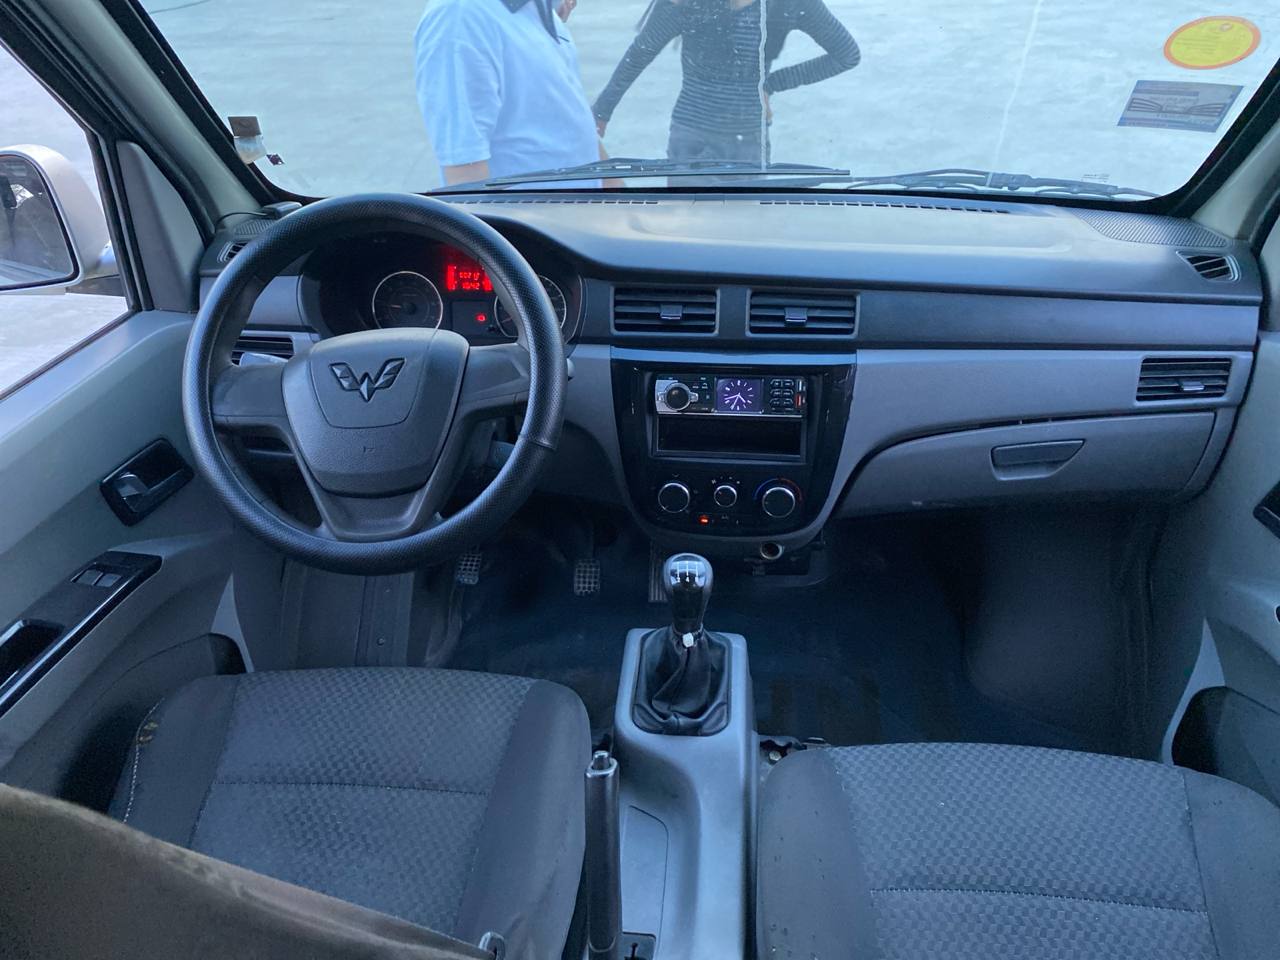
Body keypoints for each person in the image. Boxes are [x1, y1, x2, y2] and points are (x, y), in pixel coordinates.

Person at [593, 0, 860, 164]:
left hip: (716, 140)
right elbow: (641, 53)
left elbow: (847, 55)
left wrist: (772, 84)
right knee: (734, 232)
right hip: (720, 142)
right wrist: (602, 111)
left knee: (693, 233)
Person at [415, 0, 605, 185]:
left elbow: (571, 117)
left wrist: (611, 187)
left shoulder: (536, 7)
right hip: (527, 206)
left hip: (582, 203)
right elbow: (465, 172)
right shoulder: (459, 18)